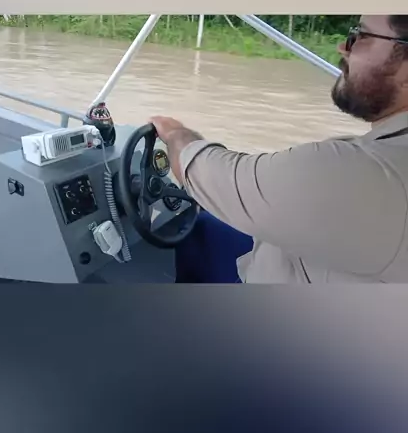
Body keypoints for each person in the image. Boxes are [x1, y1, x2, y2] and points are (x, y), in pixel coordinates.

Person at [151, 15, 408, 283]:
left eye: (362, 37)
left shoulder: (362, 172)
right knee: (201, 225)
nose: (343, 47)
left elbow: (206, 172)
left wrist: (176, 134)